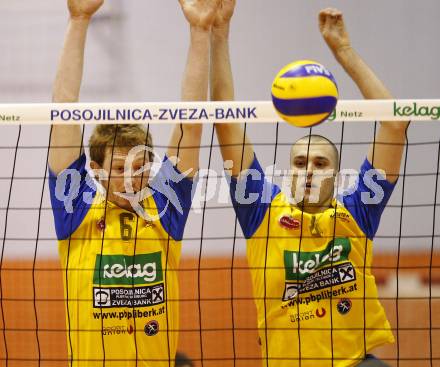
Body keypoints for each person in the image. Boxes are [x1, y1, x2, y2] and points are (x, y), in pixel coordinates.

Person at [211, 5, 408, 367]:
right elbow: (224, 121)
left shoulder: (357, 210)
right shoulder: (261, 212)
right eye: (300, 163)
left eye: (320, 164)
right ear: (288, 173)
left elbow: (396, 123)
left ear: (337, 175)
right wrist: (219, 32)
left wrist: (343, 51)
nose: (309, 171)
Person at [48, 0, 219, 365]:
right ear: (95, 170)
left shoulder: (165, 206)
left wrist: (200, 32)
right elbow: (63, 107)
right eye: (121, 166)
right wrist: (78, 19)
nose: (133, 177)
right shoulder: (74, 206)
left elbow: (191, 123)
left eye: (141, 165)